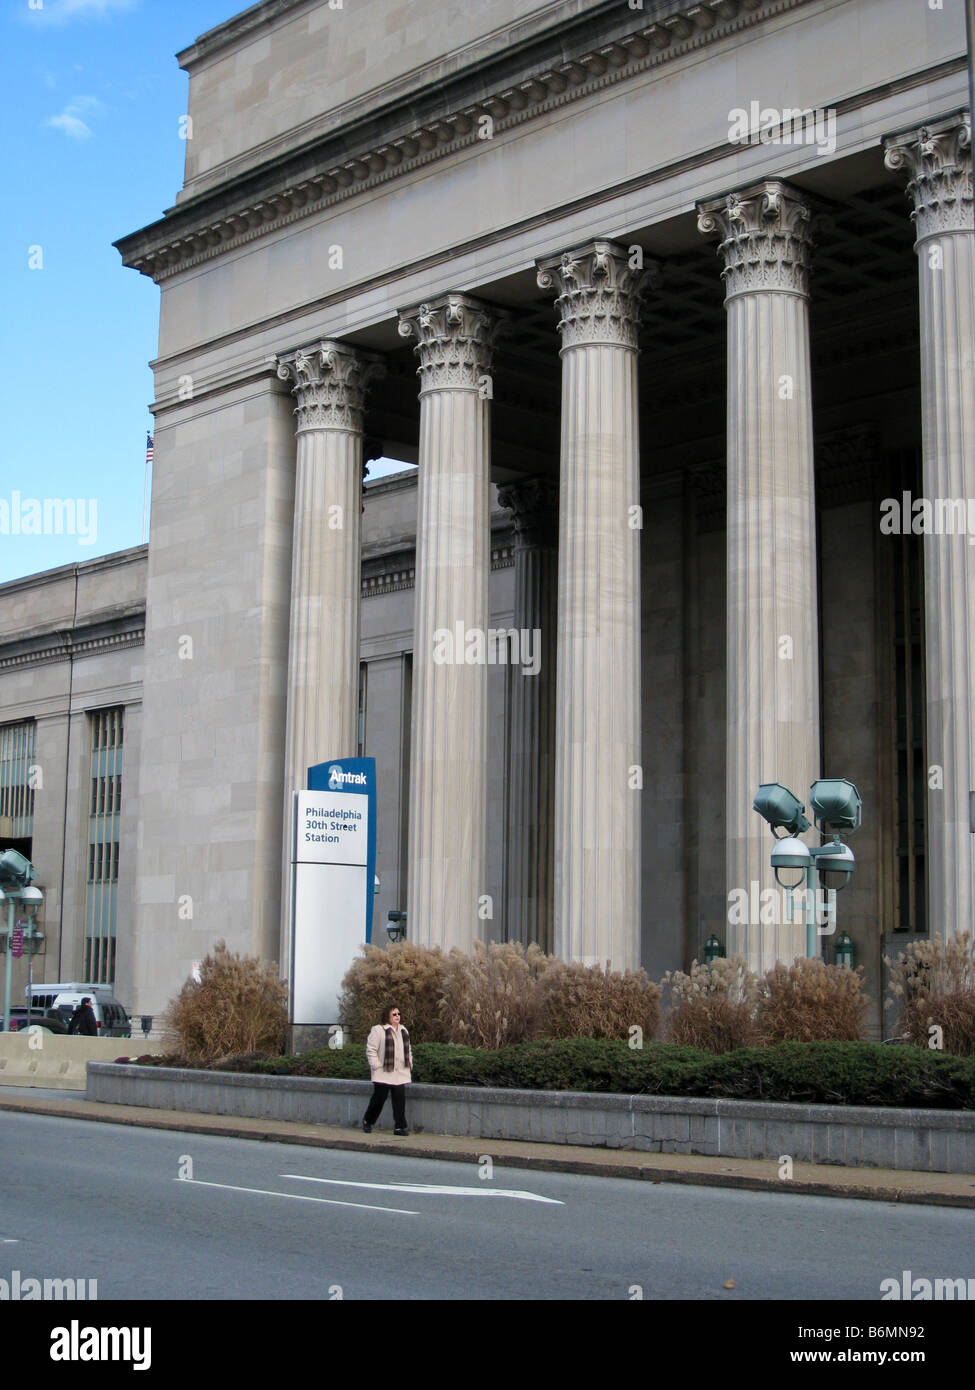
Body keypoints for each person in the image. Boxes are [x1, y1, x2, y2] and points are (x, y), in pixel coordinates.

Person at [362, 1005, 412, 1136]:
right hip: (383, 1072)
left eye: (398, 1014)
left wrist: (409, 1063)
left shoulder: (403, 1030)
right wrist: (376, 1065)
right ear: (387, 1016)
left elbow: (408, 1049)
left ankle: (400, 1127)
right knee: (379, 1099)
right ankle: (368, 1121)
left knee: (399, 1100)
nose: (397, 1016)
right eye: (394, 1014)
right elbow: (371, 1049)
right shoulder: (378, 1030)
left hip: (400, 1072)